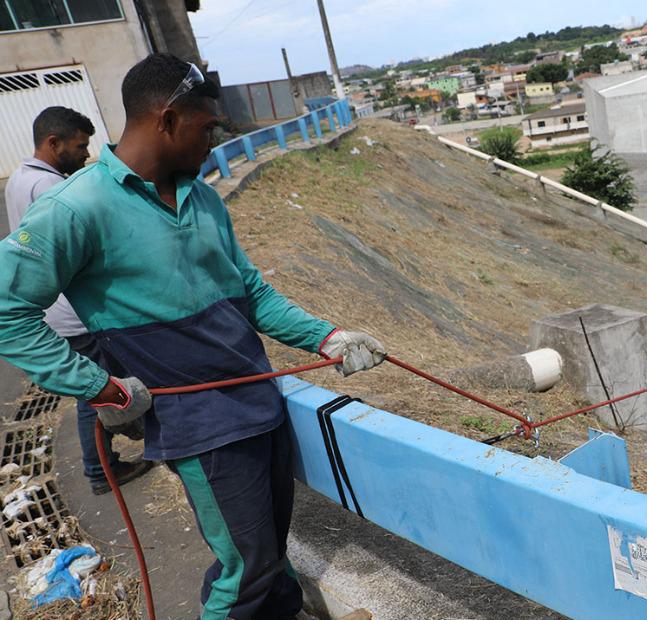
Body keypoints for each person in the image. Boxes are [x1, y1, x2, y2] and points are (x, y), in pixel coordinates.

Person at [0, 53, 386, 619]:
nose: (215, 142)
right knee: (243, 568)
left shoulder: (201, 197)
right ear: (167, 118)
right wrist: (100, 387)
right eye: (208, 128)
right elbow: (8, 313)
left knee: (267, 555)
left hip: (259, 404)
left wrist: (327, 337)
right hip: (200, 429)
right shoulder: (77, 208)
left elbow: (251, 293)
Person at [3, 106, 151, 495]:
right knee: (95, 392)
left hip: (55, 308)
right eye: (80, 146)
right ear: (54, 143)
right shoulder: (54, 191)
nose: (86, 155)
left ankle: (104, 464)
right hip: (71, 314)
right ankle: (100, 471)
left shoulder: (18, 178)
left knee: (93, 390)